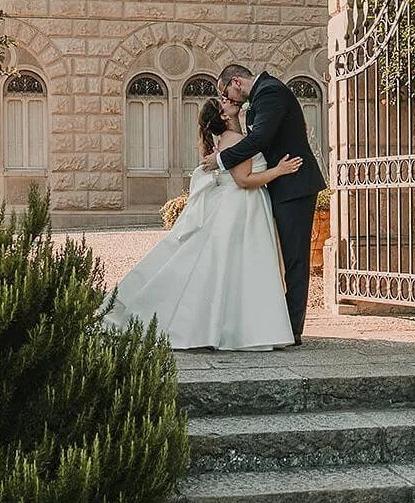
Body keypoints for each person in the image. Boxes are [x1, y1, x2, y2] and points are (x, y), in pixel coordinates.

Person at [103, 97, 300, 350]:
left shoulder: (235, 138)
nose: (229, 101)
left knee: (235, 269)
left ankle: (237, 328)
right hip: (241, 205)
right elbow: (243, 180)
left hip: (242, 206)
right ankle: (240, 330)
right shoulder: (235, 141)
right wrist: (279, 171)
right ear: (224, 115)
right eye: (224, 102)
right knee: (238, 265)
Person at [202, 65, 327, 346]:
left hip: (294, 186)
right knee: (281, 259)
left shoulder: (269, 92)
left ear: (236, 81)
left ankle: (293, 329)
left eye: (227, 92)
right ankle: (277, 322)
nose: (229, 100)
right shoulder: (262, 95)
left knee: (295, 259)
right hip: (280, 186)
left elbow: (259, 140)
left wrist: (220, 160)